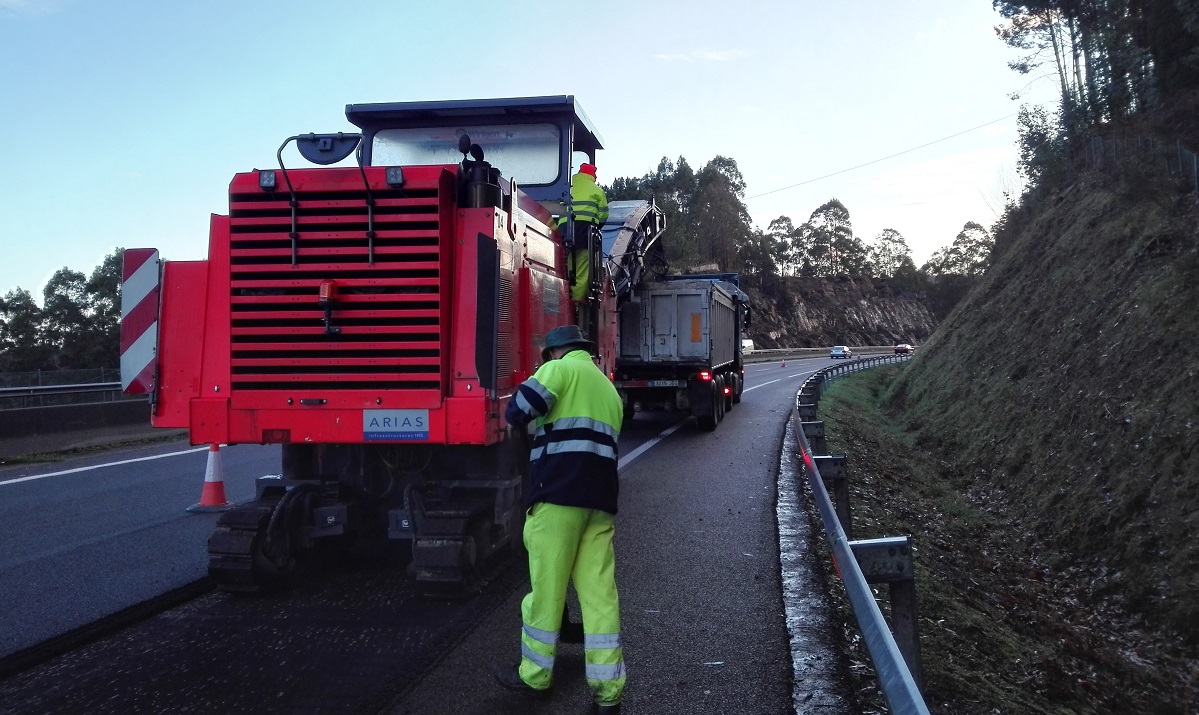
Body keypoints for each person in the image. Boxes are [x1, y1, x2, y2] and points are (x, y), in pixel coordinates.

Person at [495, 324, 625, 715]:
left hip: (558, 496)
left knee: (547, 589)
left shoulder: (559, 369)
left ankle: (535, 677)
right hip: (599, 502)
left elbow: (518, 410)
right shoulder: (608, 389)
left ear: (555, 352)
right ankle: (608, 692)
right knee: (600, 594)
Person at [558, 163, 609, 302]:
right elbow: (604, 215)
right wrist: (598, 225)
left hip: (564, 229)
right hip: (584, 231)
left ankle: (562, 296)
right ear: (592, 175)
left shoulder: (567, 187)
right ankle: (575, 305)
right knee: (582, 269)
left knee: (566, 267)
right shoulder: (597, 191)